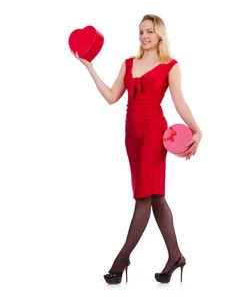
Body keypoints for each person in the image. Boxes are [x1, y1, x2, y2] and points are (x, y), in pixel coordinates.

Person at [72, 14, 202, 284]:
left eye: (150, 32)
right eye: (141, 31)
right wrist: (90, 67)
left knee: (144, 196)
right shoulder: (128, 63)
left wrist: (198, 130)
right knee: (155, 197)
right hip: (132, 135)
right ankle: (175, 256)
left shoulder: (171, 66)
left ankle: (122, 259)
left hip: (155, 134)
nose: (144, 36)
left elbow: (179, 102)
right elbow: (111, 97)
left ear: (160, 36)